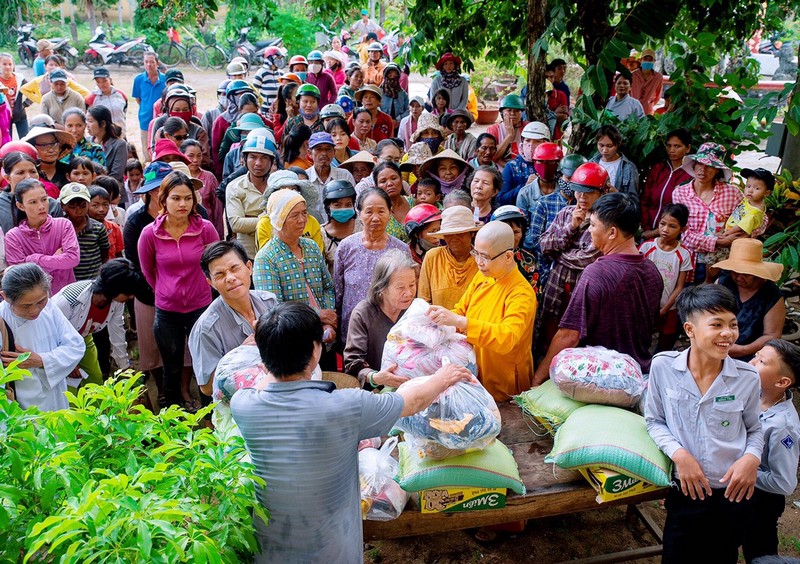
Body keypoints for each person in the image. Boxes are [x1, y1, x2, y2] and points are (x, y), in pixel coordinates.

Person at [230, 301, 471, 563]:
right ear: (315, 350)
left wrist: (269, 348)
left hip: (270, 549)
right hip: (333, 550)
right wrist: (444, 376)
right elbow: (412, 402)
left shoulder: (243, 405)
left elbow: (266, 383)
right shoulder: (346, 406)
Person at [645, 284, 763, 564]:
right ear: (690, 330)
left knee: (722, 556)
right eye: (717, 324)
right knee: (676, 555)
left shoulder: (747, 377)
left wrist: (751, 458)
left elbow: (755, 429)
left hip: (733, 492)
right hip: (685, 490)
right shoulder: (663, 367)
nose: (728, 333)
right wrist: (679, 455)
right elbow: (654, 421)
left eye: (733, 324)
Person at [535, 193, 663, 385]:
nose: (589, 230)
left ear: (612, 233)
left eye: (593, 225)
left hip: (600, 378)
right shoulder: (652, 271)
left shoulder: (596, 273)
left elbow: (569, 336)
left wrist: (538, 378)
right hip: (636, 374)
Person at [428, 221, 536, 400]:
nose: (478, 262)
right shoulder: (483, 276)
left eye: (485, 257)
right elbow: (461, 309)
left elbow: (506, 337)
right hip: (475, 368)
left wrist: (461, 322)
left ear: (508, 256)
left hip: (504, 381)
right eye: (476, 253)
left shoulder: (521, 292)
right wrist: (438, 321)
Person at [138, 170, 219, 409]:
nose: (182, 204)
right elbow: (148, 271)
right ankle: (172, 421)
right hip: (167, 311)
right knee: (171, 368)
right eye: (176, 198)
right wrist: (165, 291)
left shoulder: (205, 229)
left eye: (188, 198)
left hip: (201, 307)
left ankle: (210, 416)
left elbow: (216, 264)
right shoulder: (150, 234)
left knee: (206, 364)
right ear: (163, 199)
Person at [189, 240, 279, 397]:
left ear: (249, 267)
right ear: (211, 283)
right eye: (220, 274)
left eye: (234, 268)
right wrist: (241, 354)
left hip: (278, 389)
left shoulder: (269, 302)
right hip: (238, 403)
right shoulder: (206, 329)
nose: (230, 278)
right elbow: (207, 388)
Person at [537, 163, 609, 349]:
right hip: (556, 283)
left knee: (575, 332)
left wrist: (558, 255)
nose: (582, 197)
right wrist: (571, 227)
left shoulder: (603, 222)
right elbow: (544, 244)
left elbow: (588, 258)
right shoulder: (565, 213)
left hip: (581, 285)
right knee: (548, 326)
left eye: (589, 193)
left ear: (601, 193)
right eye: (579, 191)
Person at [743, 340, 800, 562]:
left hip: (761, 501)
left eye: (762, 362)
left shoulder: (783, 426)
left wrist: (743, 470)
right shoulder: (752, 393)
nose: (752, 362)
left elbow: (784, 482)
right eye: (756, 355)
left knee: (759, 553)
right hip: (740, 494)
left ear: (782, 382)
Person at [254, 189, 337, 340]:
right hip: (293, 339)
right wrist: (318, 315)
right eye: (294, 215)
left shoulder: (311, 247)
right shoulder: (266, 258)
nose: (302, 220)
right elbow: (274, 311)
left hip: (324, 334)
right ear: (279, 219)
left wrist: (328, 321)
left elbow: (328, 287)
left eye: (304, 213)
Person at [0, 263, 85, 411]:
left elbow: (76, 346)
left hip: (56, 394)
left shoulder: (50, 308)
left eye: (41, 301)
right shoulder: (3, 319)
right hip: (21, 404)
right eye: (26, 306)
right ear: (6, 297)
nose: (35, 310)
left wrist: (42, 360)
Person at [334, 188, 408, 343]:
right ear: (359, 213)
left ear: (390, 212)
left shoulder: (401, 250)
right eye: (369, 212)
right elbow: (338, 291)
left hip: (391, 330)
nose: (375, 218)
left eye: (381, 211)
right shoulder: (346, 247)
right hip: (352, 330)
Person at [52, 259, 141, 386]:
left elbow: (117, 332)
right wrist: (67, 362)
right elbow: (51, 333)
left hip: (84, 338)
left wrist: (124, 366)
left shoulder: (116, 302)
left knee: (95, 379)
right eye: (128, 293)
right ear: (115, 289)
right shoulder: (69, 301)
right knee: (69, 386)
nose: (131, 297)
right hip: (58, 344)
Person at [344, 248, 418, 387]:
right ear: (382, 288)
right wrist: (375, 377)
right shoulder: (363, 314)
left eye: (412, 285)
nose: (408, 293)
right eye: (400, 287)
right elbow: (353, 363)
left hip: (412, 387)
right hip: (374, 391)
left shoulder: (416, 310)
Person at [672, 142, 742, 283]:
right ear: (694, 165)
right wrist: (717, 242)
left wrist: (740, 235)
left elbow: (757, 218)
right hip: (688, 261)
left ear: (717, 170)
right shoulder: (680, 193)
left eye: (709, 166)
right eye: (699, 163)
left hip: (722, 263)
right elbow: (682, 231)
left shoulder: (732, 193)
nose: (703, 169)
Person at [713, 238, 785, 362]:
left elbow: (772, 335)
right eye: (735, 272)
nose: (739, 277)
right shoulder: (723, 283)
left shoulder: (772, 295)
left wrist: (743, 350)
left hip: (751, 356)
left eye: (746, 274)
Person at [5, 178, 79, 294]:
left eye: (44, 199)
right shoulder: (13, 236)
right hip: (34, 299)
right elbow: (21, 277)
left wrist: (32, 259)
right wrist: (56, 260)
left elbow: (73, 259)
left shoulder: (63, 224)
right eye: (33, 202)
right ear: (20, 206)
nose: (41, 206)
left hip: (67, 295)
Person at [639, 204, 693, 352]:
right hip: (645, 304)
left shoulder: (683, 254)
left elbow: (680, 286)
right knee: (642, 336)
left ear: (682, 229)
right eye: (662, 224)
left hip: (669, 306)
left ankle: (659, 360)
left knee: (665, 340)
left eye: (672, 226)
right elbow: (639, 278)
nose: (665, 229)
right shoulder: (646, 247)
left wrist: (664, 309)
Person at [226, 131, 278, 259]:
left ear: (272, 161)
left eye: (264, 158)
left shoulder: (278, 185)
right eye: (253, 157)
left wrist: (249, 220)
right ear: (244, 159)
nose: (258, 163)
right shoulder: (234, 187)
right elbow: (236, 224)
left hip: (277, 253)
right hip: (248, 255)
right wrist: (269, 219)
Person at [418, 205, 480, 309]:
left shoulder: (481, 261)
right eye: (449, 234)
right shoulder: (433, 257)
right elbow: (423, 301)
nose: (454, 238)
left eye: (460, 234)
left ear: (472, 234)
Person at [640, 128, 693, 240]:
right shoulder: (658, 169)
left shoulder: (690, 175)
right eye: (669, 146)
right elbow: (645, 200)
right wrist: (646, 228)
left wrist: (656, 232)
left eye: (677, 146)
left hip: (673, 236)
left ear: (688, 148)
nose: (671, 150)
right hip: (647, 232)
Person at [255, 170, 323, 251]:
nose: (289, 195)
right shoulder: (265, 224)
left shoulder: (311, 222)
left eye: (293, 190)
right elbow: (266, 255)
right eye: (283, 191)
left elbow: (318, 253)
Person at [0, 150, 65, 234]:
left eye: (33, 172)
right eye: (20, 173)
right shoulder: (1, 204)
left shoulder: (52, 204)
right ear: (8, 178)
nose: (28, 177)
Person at [59, 182, 110, 281]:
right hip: (68, 282)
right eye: (73, 207)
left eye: (83, 206)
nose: (79, 211)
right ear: (62, 206)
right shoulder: (59, 229)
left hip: (93, 281)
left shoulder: (98, 228)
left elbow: (105, 256)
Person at [305, 132, 356, 223]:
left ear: (334, 152)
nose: (324, 153)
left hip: (341, 226)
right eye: (319, 149)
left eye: (328, 149)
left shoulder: (345, 176)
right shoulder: (304, 178)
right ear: (309, 153)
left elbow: (354, 205)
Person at [498, 121, 551, 206]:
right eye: (528, 140)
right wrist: (525, 186)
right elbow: (501, 199)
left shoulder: (553, 165)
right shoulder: (512, 167)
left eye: (537, 141)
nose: (531, 145)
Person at [181, 139, 223, 238]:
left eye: (199, 156)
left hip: (206, 229)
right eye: (191, 156)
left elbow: (217, 209)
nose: (195, 160)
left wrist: (218, 235)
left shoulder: (209, 177)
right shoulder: (177, 177)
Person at [589, 124, 639, 206]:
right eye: (601, 145)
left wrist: (617, 194)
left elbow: (634, 201)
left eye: (609, 146)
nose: (605, 150)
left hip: (616, 211)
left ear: (618, 144)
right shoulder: (591, 164)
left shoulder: (628, 168)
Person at [491, 205, 538, 289]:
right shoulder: (485, 258)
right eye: (505, 232)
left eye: (516, 232)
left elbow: (534, 291)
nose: (511, 237)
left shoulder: (528, 260)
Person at [516, 142, 564, 222]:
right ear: (534, 162)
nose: (545, 166)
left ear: (558, 163)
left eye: (550, 161)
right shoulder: (525, 193)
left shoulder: (564, 191)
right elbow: (522, 224)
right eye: (540, 161)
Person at [131, 52, 166, 161]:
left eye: (152, 62)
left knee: (162, 147)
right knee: (146, 149)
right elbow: (138, 99)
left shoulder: (165, 79)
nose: (148, 65)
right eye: (146, 62)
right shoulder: (138, 80)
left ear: (157, 63)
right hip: (145, 119)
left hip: (162, 119)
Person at [373, 161, 412, 242]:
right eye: (383, 181)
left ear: (401, 179)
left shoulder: (414, 204)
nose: (390, 183)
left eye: (394, 178)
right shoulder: (376, 213)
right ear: (377, 186)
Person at [86, 105, 126, 184]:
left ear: (103, 124)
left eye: (90, 121)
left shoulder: (119, 145)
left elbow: (116, 175)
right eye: (86, 121)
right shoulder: (86, 142)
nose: (87, 125)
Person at [85, 67, 128, 139]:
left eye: (104, 81)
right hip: (102, 137)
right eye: (98, 82)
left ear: (110, 80)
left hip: (120, 135)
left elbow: (124, 112)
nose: (102, 84)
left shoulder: (121, 95)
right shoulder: (91, 99)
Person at [487, 94, 527, 164]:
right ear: (502, 112)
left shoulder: (526, 127)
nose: (513, 113)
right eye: (509, 110)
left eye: (517, 111)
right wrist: (509, 135)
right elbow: (492, 156)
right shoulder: (493, 130)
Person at [0, 52, 31, 138]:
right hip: (4, 116)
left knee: (26, 138)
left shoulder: (20, 79)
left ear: (13, 65)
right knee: (7, 140)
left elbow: (33, 90)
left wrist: (25, 104)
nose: (8, 67)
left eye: (10, 64)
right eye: (4, 64)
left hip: (20, 114)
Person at [87, 185, 123, 258]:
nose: (101, 209)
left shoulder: (113, 227)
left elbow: (118, 254)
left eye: (105, 205)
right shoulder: (81, 229)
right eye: (95, 205)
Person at [630, 49, 664, 115]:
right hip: (632, 109)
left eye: (650, 59)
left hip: (647, 110)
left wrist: (649, 104)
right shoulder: (632, 75)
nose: (647, 61)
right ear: (641, 60)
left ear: (654, 61)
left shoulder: (658, 77)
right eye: (645, 59)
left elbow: (658, 95)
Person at [252, 47, 284, 112]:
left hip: (279, 109)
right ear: (270, 58)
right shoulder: (261, 73)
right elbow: (254, 90)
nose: (279, 60)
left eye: (280, 58)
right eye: (278, 58)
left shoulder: (281, 73)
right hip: (266, 109)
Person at [379, 63, 408, 133]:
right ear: (385, 76)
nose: (392, 78)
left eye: (395, 76)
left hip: (399, 127)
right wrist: (387, 120)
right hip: (382, 125)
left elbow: (408, 110)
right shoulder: (378, 92)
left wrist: (397, 120)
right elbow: (376, 108)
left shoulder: (403, 94)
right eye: (390, 75)